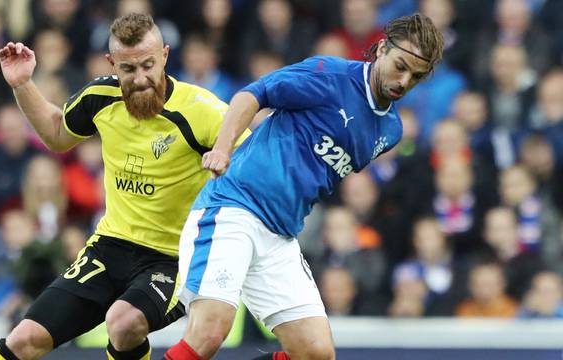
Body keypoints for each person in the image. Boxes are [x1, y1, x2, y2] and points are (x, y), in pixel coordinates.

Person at [164, 13, 443, 360]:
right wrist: (222, 148)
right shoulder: (330, 75)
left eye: (415, 77)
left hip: (280, 235)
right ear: (382, 48)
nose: (404, 80)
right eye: (400, 66)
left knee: (316, 354)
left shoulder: (391, 131)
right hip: (234, 207)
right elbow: (252, 95)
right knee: (208, 332)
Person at [0, 13, 248, 360]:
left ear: (166, 56)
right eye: (128, 69)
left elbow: (252, 161)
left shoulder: (202, 111)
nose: (140, 79)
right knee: (24, 339)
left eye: (148, 65)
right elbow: (57, 135)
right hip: (109, 247)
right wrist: (22, 84)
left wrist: (227, 163)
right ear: (112, 64)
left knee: (123, 323)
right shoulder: (99, 97)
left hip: (174, 257)